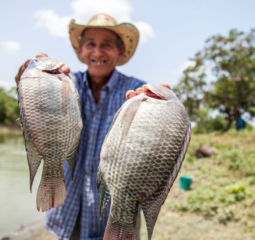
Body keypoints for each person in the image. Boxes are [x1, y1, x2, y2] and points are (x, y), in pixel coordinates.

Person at [15, 13, 170, 240]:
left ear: (121, 52)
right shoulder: (64, 82)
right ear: (80, 51)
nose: (97, 52)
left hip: (114, 218)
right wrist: (28, 86)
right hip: (66, 213)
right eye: (91, 45)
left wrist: (160, 114)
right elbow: (37, 121)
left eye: (106, 45)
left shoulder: (138, 94)